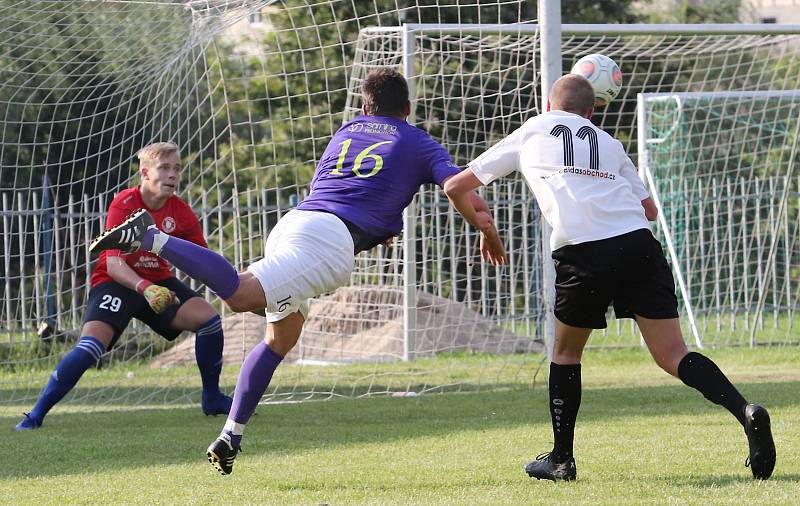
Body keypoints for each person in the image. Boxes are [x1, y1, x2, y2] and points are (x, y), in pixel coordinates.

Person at [89, 69, 507, 475]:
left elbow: (348, 187)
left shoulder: (347, 131)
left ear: (365, 107)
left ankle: (230, 436)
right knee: (239, 294)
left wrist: (376, 225)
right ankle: (150, 237)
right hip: (327, 243)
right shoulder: (418, 141)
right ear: (409, 108)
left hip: (297, 222)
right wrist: (485, 228)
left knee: (281, 336)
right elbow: (455, 186)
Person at [443, 74, 776, 481]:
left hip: (582, 248)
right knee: (673, 355)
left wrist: (487, 230)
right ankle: (746, 411)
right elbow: (649, 210)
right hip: (638, 243)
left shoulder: (533, 129)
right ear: (592, 110)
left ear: (549, 106)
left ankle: (561, 460)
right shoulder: (611, 143)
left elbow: (455, 185)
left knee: (566, 354)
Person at [15, 142, 233, 431]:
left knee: (208, 320)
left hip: (159, 283)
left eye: (177, 169)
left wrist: (236, 286)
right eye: (164, 168)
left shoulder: (181, 212)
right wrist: (145, 287)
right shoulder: (125, 203)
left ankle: (212, 397)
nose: (172, 175)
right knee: (90, 347)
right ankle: (35, 416)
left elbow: (204, 261)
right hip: (116, 282)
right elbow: (115, 264)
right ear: (144, 173)